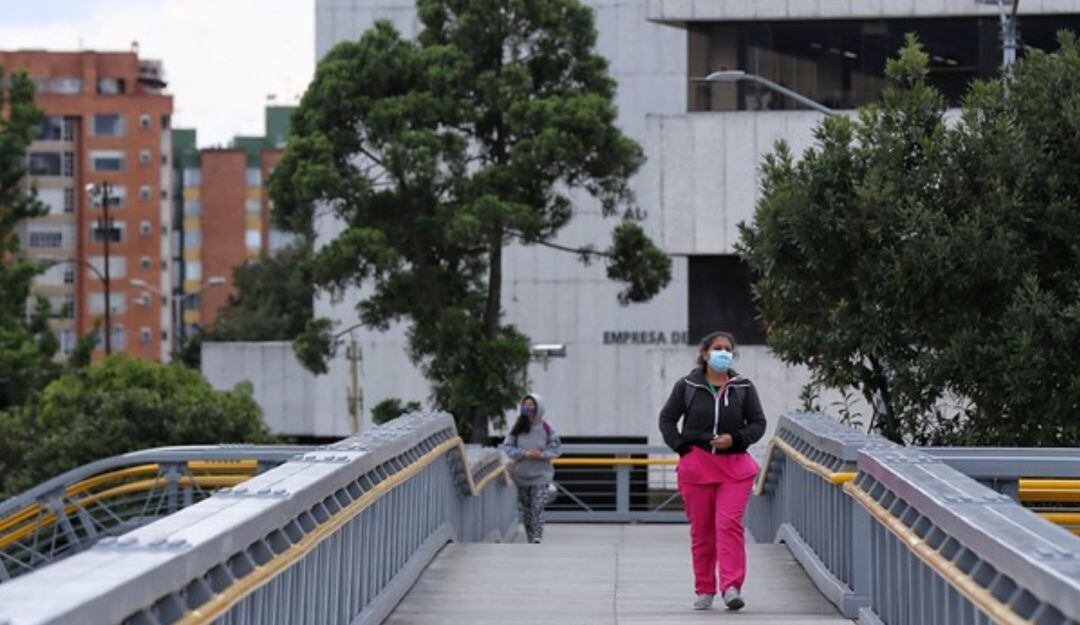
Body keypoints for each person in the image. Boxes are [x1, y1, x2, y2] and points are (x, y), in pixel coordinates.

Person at [658, 331, 767, 612]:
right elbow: (667, 419)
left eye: (727, 349)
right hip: (697, 467)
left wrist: (737, 439)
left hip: (735, 468)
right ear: (705, 353)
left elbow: (758, 423)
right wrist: (682, 448)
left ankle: (731, 587)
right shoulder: (687, 386)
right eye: (717, 348)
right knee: (703, 531)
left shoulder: (743, 386)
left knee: (728, 525)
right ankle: (704, 588)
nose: (722, 353)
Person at [501, 393, 562, 544]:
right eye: (525, 405)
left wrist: (541, 455)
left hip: (541, 475)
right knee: (527, 510)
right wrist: (524, 454)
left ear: (538, 407)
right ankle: (531, 537)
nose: (528, 408)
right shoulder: (517, 427)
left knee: (538, 507)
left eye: (531, 405)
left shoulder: (547, 427)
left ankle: (537, 537)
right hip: (521, 476)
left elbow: (556, 448)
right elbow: (507, 447)